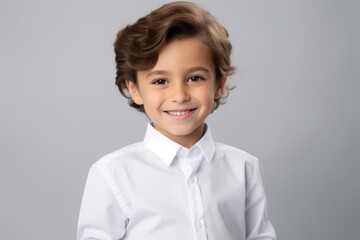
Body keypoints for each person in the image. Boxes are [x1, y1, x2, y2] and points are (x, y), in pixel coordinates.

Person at [77, 1, 276, 240]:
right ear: (135, 89)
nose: (180, 96)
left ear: (218, 84)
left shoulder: (244, 168)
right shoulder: (112, 174)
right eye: (160, 81)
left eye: (195, 77)